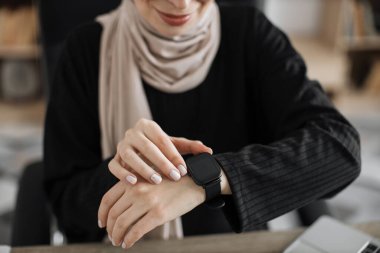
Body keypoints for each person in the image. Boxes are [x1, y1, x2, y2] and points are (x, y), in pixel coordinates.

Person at [43, 0, 361, 249]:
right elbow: (64, 206)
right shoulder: (84, 50)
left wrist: (205, 178)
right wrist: (122, 172)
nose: (181, 4)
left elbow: (341, 147)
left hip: (233, 244)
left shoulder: (250, 32)